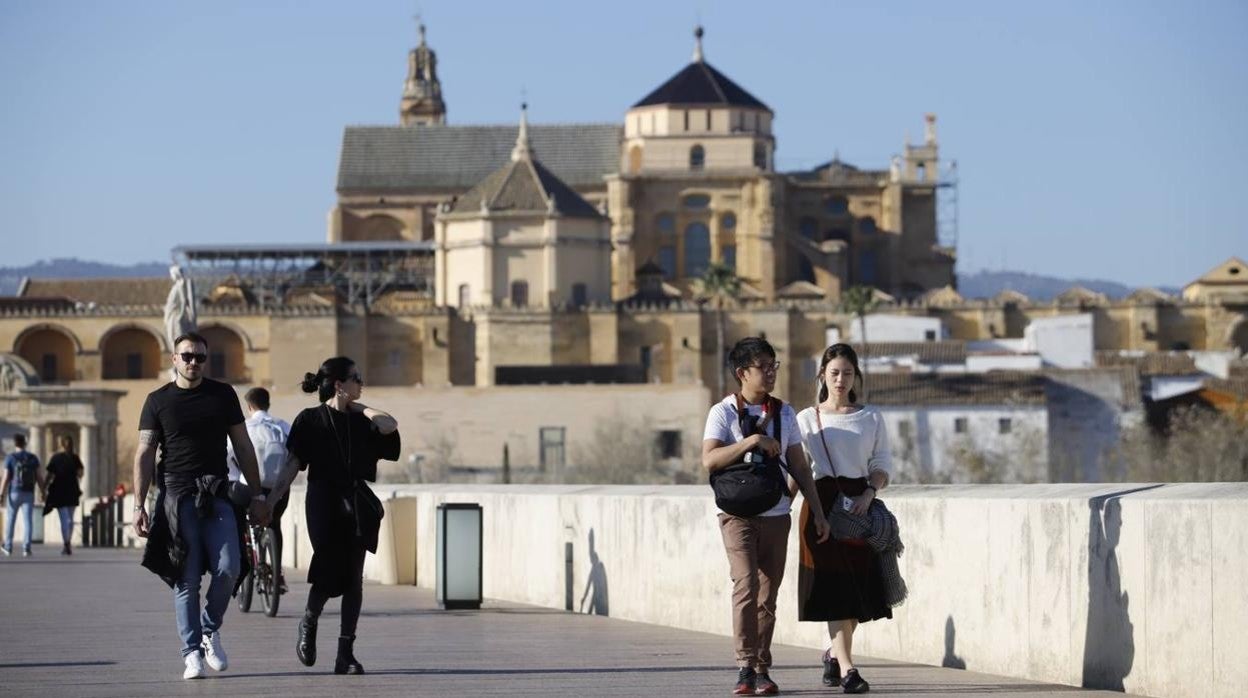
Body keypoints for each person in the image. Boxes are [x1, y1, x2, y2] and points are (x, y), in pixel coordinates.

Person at [132, 332, 270, 680]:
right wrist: (138, 504)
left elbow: (242, 445)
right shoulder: (157, 401)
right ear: (174, 359)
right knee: (187, 578)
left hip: (217, 494)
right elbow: (145, 453)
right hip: (177, 498)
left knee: (230, 567)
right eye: (187, 356)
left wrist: (257, 494)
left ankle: (209, 629)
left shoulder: (222, 394)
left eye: (200, 357)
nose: (194, 362)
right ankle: (191, 652)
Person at [702, 337, 830, 696]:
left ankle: (761, 667)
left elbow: (801, 468)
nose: (772, 372)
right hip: (735, 515)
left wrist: (817, 512)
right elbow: (709, 460)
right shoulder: (722, 412)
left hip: (776, 514)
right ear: (743, 373)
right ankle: (744, 665)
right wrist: (751, 442)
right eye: (764, 366)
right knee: (745, 585)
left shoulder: (784, 413)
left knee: (768, 596)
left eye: (775, 365)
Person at [267, 356, 399, 675]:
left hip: (356, 503)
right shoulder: (309, 420)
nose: (362, 383)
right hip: (323, 500)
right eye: (356, 378)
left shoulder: (361, 420)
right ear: (340, 384)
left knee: (353, 578)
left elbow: (389, 425)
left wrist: (357, 406)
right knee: (328, 569)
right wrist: (271, 500)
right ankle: (309, 621)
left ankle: (345, 654)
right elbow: (291, 466)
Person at [795, 343, 894, 694]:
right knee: (836, 590)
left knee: (857, 593)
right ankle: (850, 670)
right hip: (821, 509)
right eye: (834, 372)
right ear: (823, 375)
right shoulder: (806, 419)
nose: (840, 379)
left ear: (856, 377)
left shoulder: (870, 416)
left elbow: (881, 465)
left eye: (847, 373)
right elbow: (798, 470)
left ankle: (833, 654)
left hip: (860, 507)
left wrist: (869, 494)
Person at [226, 387, 292, 590]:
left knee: (236, 515)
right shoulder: (283, 426)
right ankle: (277, 573)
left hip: (247, 490)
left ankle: (243, 560)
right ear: (268, 403)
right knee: (274, 525)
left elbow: (229, 459)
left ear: (249, 406)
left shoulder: (244, 426)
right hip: (277, 491)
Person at [3, 433, 45, 557]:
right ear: (25, 443)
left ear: (15, 443)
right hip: (28, 493)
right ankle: (26, 548)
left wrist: (1, 494)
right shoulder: (33, 458)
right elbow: (39, 477)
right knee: (28, 521)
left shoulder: (10, 458)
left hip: (14, 492)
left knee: (11, 520)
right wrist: (43, 491)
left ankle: (8, 546)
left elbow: (5, 478)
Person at [43, 435, 84, 555]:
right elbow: (49, 474)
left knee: (68, 520)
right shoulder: (60, 458)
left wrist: (44, 488)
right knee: (67, 520)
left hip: (69, 492)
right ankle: (67, 543)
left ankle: (67, 543)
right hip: (63, 492)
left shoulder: (72, 458)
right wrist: (43, 488)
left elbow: (80, 473)